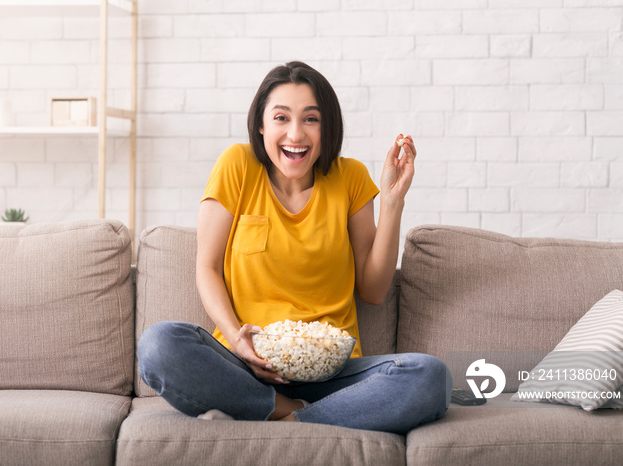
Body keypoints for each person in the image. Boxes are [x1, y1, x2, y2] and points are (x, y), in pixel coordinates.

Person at [138, 61, 451, 434]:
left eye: (311, 119)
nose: (296, 134)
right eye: (282, 118)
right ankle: (295, 411)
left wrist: (393, 202)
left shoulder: (350, 177)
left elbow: (374, 290)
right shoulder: (237, 166)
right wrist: (238, 340)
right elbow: (206, 268)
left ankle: (287, 417)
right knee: (159, 344)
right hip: (244, 364)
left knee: (430, 376)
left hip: (332, 372)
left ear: (327, 126)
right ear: (262, 125)